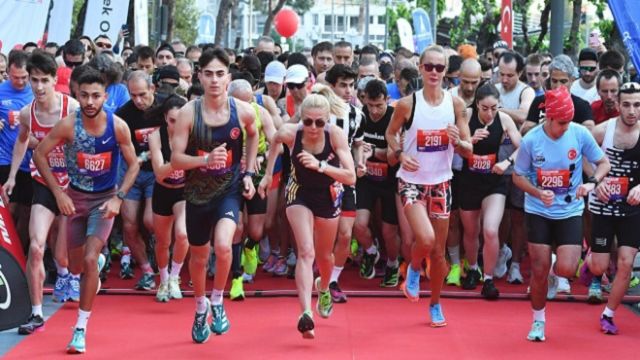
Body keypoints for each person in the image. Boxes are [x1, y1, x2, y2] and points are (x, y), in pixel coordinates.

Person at [33, 68, 140, 353]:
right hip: (75, 200)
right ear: (76, 95)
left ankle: (80, 328)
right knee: (78, 266)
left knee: (90, 260)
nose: (90, 101)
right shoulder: (68, 125)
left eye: (96, 96)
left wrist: (119, 197)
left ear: (106, 96)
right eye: (85, 95)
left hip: (104, 201)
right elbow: (39, 153)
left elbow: (134, 164)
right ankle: (95, 266)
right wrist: (58, 192)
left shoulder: (117, 127)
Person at [170, 48, 259, 344]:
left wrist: (247, 173)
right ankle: (199, 305)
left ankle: (218, 301)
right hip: (196, 193)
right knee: (199, 256)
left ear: (228, 78)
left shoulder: (242, 110)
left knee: (223, 245)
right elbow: (176, 160)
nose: (214, 80)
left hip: (229, 190)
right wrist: (205, 161)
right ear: (199, 77)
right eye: (208, 74)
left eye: (220, 74)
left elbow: (254, 133)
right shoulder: (187, 113)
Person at [512, 86, 610, 342]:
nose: (567, 126)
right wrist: (535, 191)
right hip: (538, 210)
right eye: (562, 122)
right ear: (549, 118)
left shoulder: (579, 134)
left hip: (569, 210)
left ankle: (556, 272)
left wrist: (592, 183)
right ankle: (538, 322)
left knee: (567, 269)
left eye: (570, 121)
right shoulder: (532, 139)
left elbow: (603, 164)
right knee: (538, 268)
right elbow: (517, 175)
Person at [385, 45, 472, 327]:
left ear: (447, 72)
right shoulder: (407, 104)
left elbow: (468, 150)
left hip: (441, 184)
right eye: (429, 66)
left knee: (438, 252)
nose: (434, 72)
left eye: (440, 67)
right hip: (411, 183)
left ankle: (435, 304)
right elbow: (390, 132)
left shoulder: (455, 104)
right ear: (421, 68)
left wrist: (457, 141)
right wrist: (400, 154)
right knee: (424, 239)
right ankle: (412, 268)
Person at [258, 93, 356, 339]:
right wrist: (268, 175)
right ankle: (305, 313)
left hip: (328, 194)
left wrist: (320, 165)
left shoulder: (335, 135)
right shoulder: (292, 133)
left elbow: (351, 176)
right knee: (306, 251)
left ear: (327, 121)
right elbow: (275, 141)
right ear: (302, 119)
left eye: (319, 123)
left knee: (324, 256)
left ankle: (323, 287)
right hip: (298, 192)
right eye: (309, 122)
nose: (313, 128)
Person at [4, 52, 78, 334]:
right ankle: (36, 313)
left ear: (53, 81)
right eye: (33, 80)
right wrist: (11, 177)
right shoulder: (27, 113)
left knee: (62, 255)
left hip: (71, 186)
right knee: (36, 247)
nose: (38, 86)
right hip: (43, 184)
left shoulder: (71, 108)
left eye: (44, 80)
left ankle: (74, 268)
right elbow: (21, 143)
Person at [586, 82, 640, 335]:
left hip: (632, 207)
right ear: (618, 105)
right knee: (599, 266)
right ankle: (591, 265)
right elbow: (580, 156)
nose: (632, 110)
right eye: (627, 104)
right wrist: (597, 181)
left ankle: (608, 314)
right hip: (604, 205)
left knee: (626, 262)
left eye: (637, 105)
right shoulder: (602, 131)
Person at [458, 83, 521, 298]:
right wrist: (468, 142)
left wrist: (507, 162)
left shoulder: (503, 119)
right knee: (471, 231)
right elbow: (453, 146)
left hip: (494, 181)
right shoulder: (466, 115)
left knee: (491, 230)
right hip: (469, 181)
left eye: (494, 107)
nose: (490, 113)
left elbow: (523, 147)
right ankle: (473, 269)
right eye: (485, 108)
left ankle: (489, 279)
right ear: (477, 105)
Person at [115, 71, 165, 288]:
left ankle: (163, 257)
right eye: (133, 95)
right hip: (132, 170)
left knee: (150, 221)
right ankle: (145, 269)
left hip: (157, 170)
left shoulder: (166, 107)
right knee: (129, 225)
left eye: (142, 94)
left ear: (153, 89)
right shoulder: (123, 114)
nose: (138, 100)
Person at [353, 79, 400, 289]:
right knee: (358, 224)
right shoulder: (359, 115)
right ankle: (371, 252)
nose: (374, 111)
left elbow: (393, 157)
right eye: (370, 105)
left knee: (389, 231)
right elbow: (353, 146)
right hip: (366, 179)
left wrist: (373, 152)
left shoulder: (394, 117)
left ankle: (392, 264)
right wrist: (359, 159)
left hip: (391, 181)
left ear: (387, 100)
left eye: (379, 105)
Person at [147, 94, 189, 302]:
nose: (176, 125)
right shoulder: (155, 137)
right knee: (163, 241)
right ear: (165, 118)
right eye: (172, 121)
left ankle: (174, 277)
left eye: (180, 120)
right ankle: (163, 280)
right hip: (162, 190)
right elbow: (159, 172)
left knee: (183, 235)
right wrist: (178, 160)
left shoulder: (192, 134)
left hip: (184, 191)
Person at [0, 51, 34, 250]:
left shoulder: (36, 92)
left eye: (24, 78)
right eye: (15, 78)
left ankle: (20, 255)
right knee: (8, 209)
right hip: (4, 158)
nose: (20, 82)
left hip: (30, 162)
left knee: (27, 212)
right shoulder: (1, 91)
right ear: (8, 73)